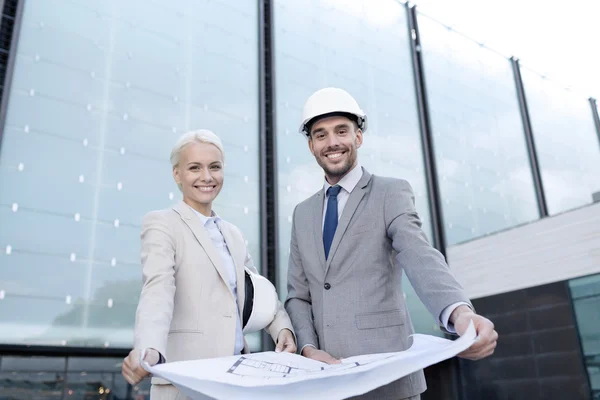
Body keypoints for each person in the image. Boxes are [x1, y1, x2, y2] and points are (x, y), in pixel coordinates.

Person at [285, 88, 498, 400]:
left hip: (388, 379)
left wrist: (459, 314)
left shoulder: (390, 193)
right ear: (311, 145)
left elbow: (419, 255)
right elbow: (298, 296)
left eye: (341, 131)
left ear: (358, 137)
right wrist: (307, 347)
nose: (332, 142)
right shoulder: (302, 214)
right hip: (325, 381)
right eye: (321, 135)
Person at [121, 130, 296, 400]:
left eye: (215, 167)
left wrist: (282, 328)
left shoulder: (233, 234)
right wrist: (149, 348)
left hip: (236, 381)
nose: (207, 177)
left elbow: (260, 293)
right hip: (185, 383)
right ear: (177, 174)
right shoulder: (162, 223)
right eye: (194, 168)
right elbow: (158, 289)